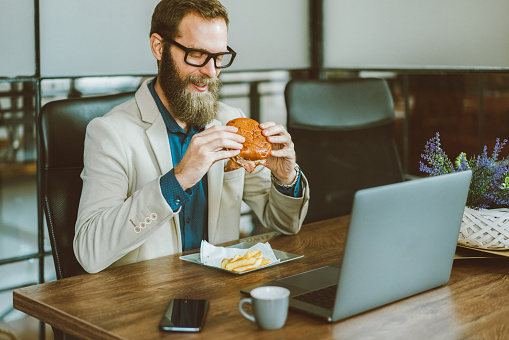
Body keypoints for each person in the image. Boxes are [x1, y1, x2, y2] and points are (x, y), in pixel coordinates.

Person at [74, 0, 310, 273]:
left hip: (220, 295)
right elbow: (89, 252)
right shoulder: (110, 133)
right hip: (150, 301)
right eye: (197, 54)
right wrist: (177, 181)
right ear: (159, 47)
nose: (211, 72)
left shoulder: (231, 119)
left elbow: (285, 223)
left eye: (219, 57)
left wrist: (285, 179)